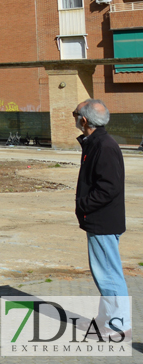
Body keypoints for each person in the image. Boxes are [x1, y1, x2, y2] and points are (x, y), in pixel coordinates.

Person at [73, 99, 131, 333]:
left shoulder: (104, 145)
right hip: (99, 219)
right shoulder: (95, 142)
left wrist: (83, 205)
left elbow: (109, 187)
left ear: (84, 120)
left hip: (103, 220)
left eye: (75, 114)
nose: (75, 118)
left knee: (108, 274)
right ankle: (106, 318)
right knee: (104, 273)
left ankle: (118, 325)